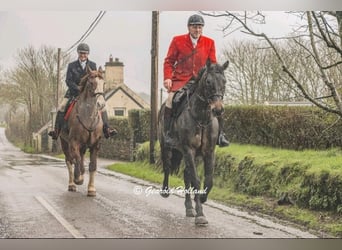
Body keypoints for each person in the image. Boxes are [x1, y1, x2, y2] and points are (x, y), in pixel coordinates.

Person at [163, 14, 229, 147]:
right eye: (194, 27)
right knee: (170, 100)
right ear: (189, 28)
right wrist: (168, 77)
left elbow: (212, 64)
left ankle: (220, 135)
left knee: (217, 102)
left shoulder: (209, 42)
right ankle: (168, 133)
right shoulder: (177, 40)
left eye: (199, 27)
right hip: (181, 80)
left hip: (201, 81)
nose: (197, 30)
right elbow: (169, 61)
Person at [48, 43, 117, 140]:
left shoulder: (93, 65)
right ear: (78, 53)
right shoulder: (72, 65)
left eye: (85, 53)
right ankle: (56, 131)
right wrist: (77, 88)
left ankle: (107, 129)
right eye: (81, 53)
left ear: (88, 54)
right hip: (73, 92)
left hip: (90, 93)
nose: (83, 55)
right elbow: (68, 80)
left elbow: (96, 79)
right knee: (62, 106)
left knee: (103, 106)